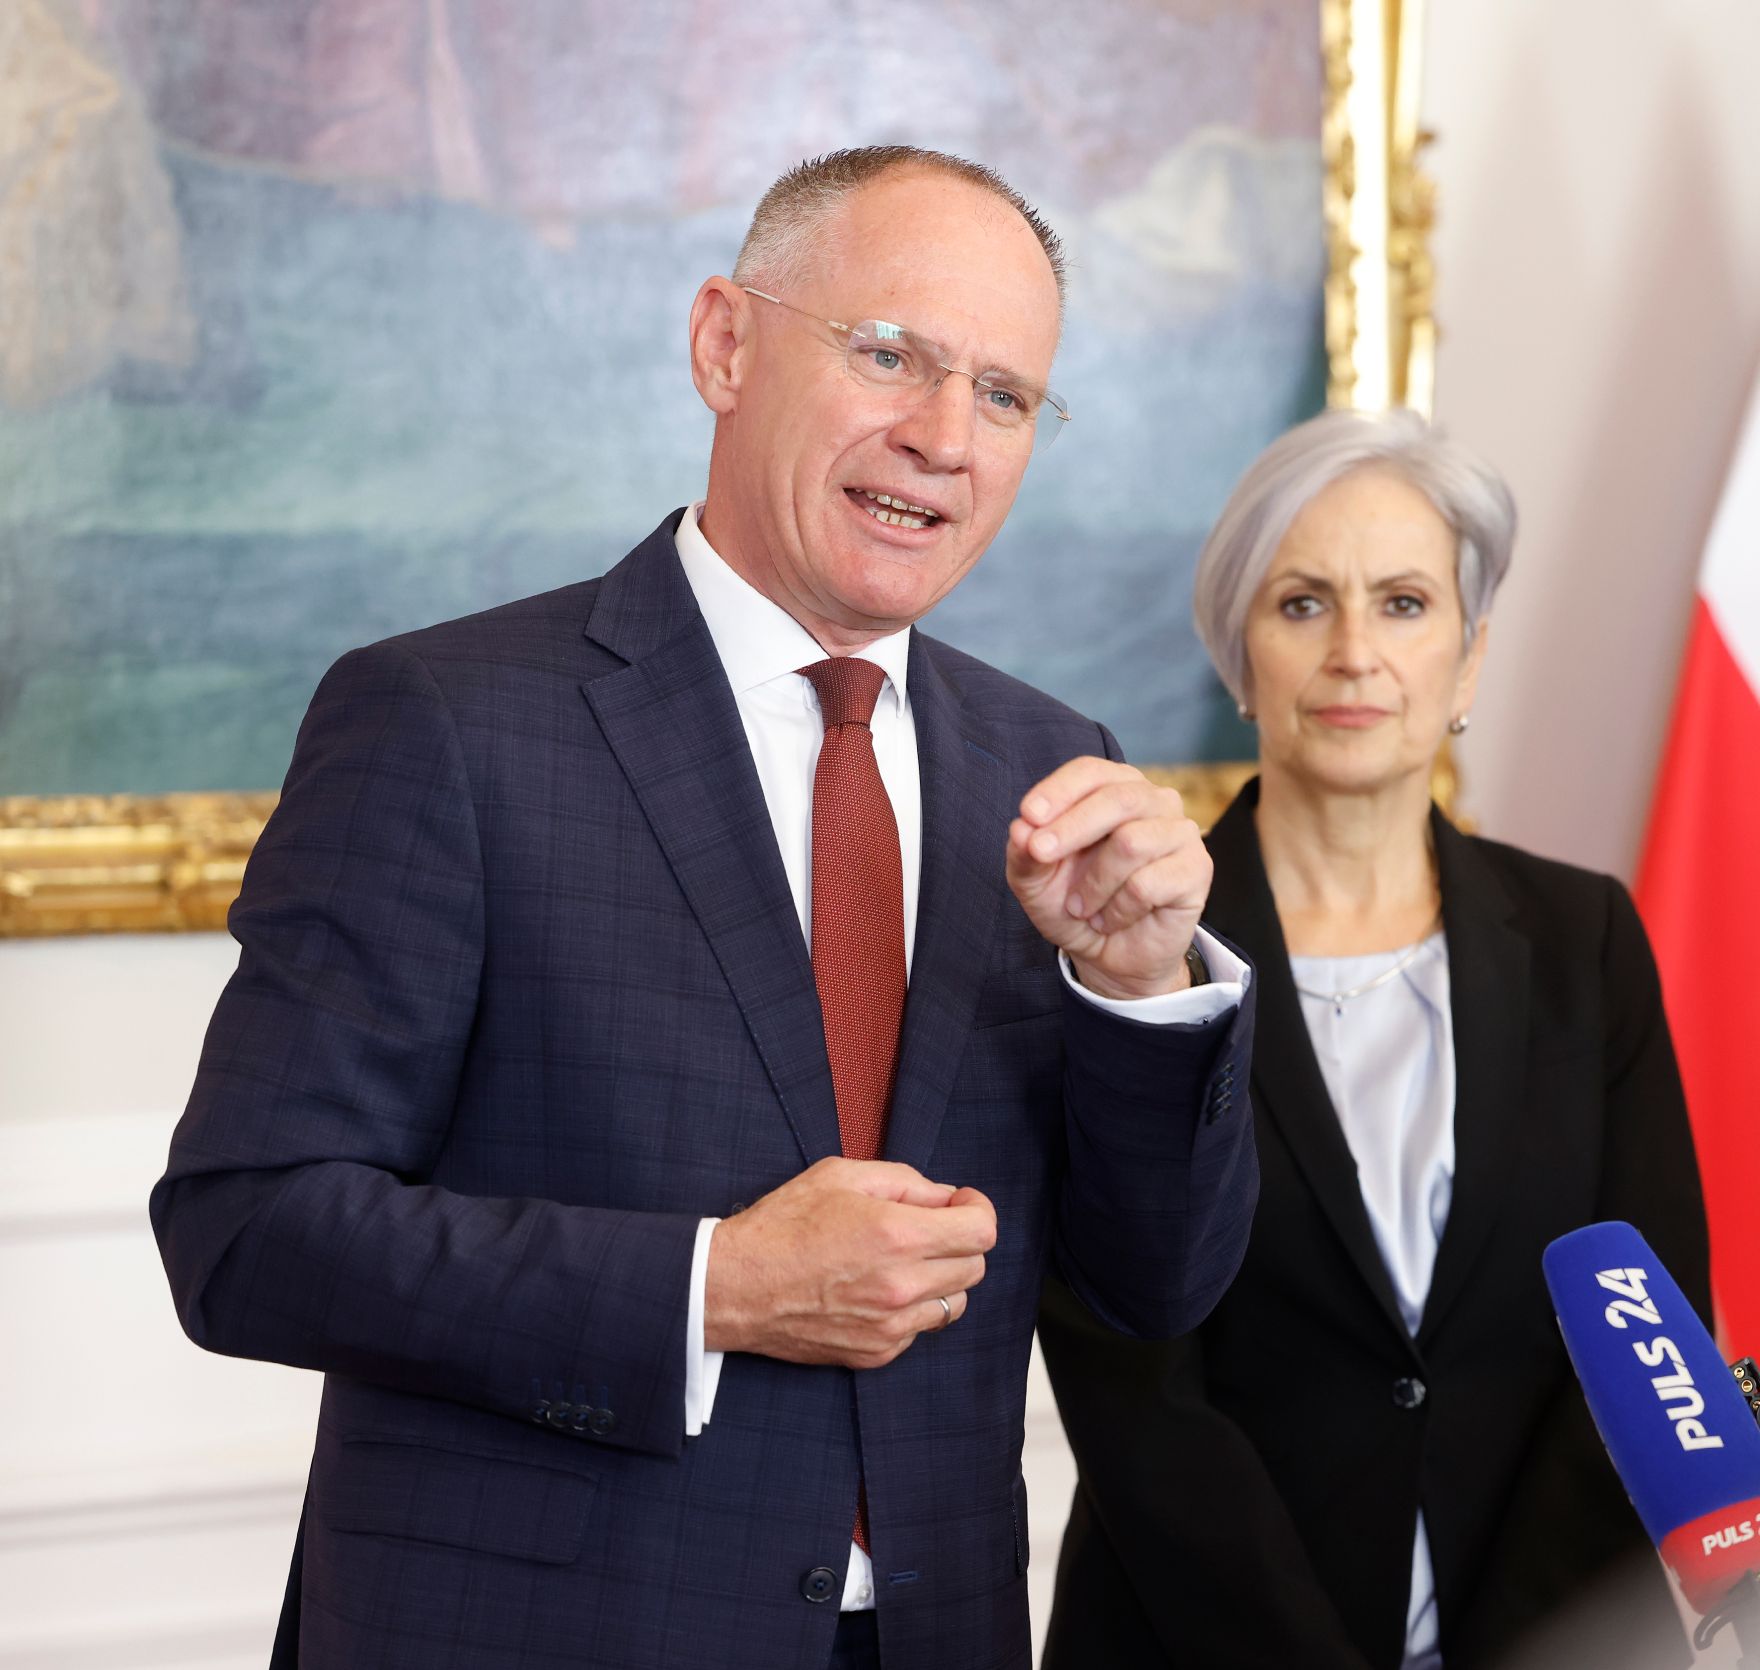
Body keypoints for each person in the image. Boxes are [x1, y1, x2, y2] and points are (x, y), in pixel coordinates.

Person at [149, 145, 1260, 1670]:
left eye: (1004, 396)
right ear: (724, 344)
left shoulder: (1055, 770)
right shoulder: (446, 723)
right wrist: (716, 1285)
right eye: (890, 355)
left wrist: (1143, 992)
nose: (944, 436)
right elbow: (246, 1228)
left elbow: (1155, 1290)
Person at [1038, 408, 1709, 1670]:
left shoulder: (1583, 939)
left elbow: (1640, 1340)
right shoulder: (1127, 948)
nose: (1353, 651)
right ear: (1238, 649)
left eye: (1402, 603)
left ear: (1466, 656)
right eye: (1301, 603)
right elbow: (1135, 1388)